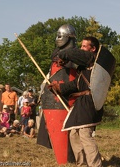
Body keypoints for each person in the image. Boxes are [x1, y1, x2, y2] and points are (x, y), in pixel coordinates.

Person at [49, 36, 110, 167]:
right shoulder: (83, 68)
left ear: (92, 49)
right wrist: (59, 88)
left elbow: (73, 53)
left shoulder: (92, 60)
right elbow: (76, 85)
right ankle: (81, 164)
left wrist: (62, 54)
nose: (81, 48)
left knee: (85, 135)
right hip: (81, 102)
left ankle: (95, 165)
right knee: (73, 134)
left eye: (84, 46)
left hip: (90, 102)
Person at [37, 24, 78, 164]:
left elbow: (77, 77)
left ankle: (71, 160)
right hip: (54, 98)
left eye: (60, 36)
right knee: (56, 135)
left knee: (71, 137)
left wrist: (69, 61)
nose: (57, 39)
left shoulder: (77, 55)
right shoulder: (55, 55)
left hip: (69, 99)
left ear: (69, 37)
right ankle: (63, 161)